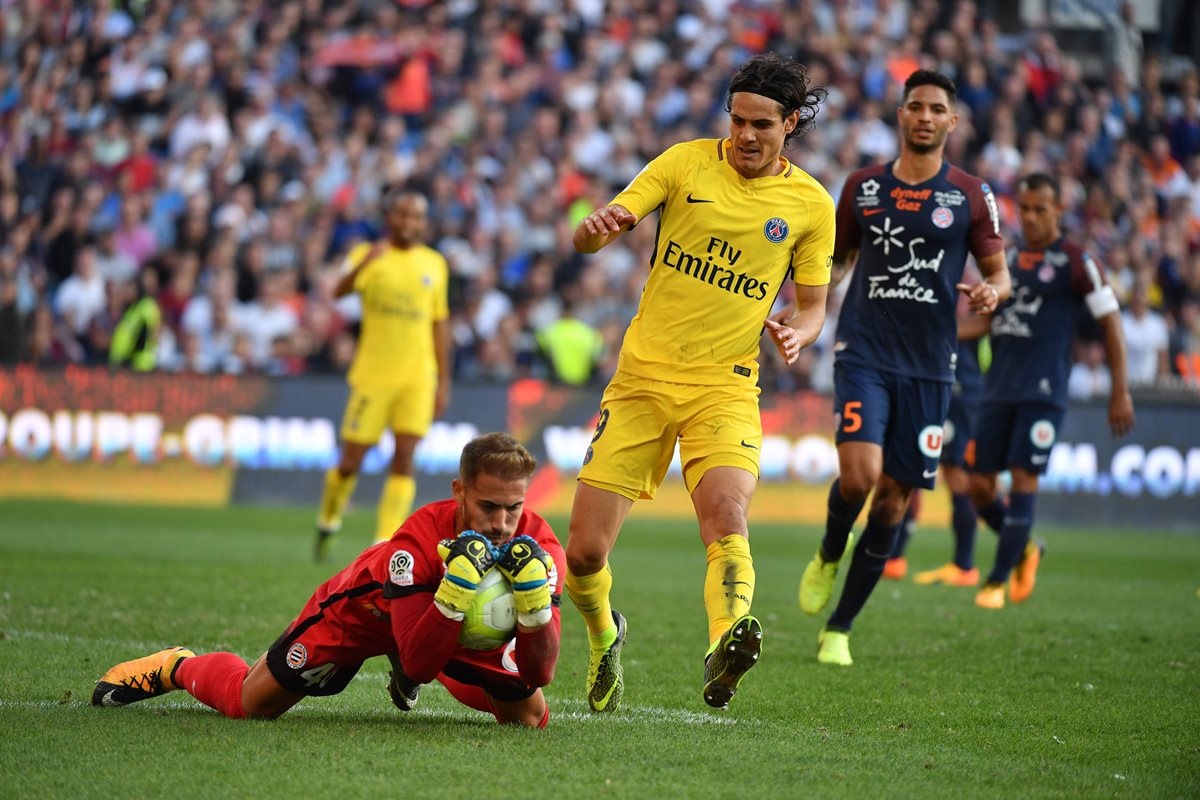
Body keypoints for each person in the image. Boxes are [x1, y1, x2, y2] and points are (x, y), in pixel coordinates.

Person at [564, 52, 835, 712]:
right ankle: (605, 635)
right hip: (642, 379)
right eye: (737, 120)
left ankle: (725, 643)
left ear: (791, 124)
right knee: (584, 554)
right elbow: (599, 231)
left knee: (727, 517)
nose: (745, 135)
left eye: (762, 125)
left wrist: (799, 333)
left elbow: (813, 307)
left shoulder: (810, 205)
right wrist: (594, 233)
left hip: (726, 386)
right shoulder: (683, 163)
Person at [92, 432, 563, 728]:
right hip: (365, 610)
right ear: (459, 491)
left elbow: (540, 673)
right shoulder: (415, 542)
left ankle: (408, 646)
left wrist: (536, 607)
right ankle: (176, 666)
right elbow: (421, 665)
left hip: (437, 625)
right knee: (251, 704)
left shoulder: (541, 547)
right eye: (488, 506)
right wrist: (455, 591)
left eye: (513, 508)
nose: (502, 523)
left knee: (528, 718)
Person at [797, 69, 1011, 667]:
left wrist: (991, 292)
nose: (924, 116)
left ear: (952, 121)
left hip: (931, 367)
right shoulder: (863, 186)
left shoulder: (970, 194)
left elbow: (999, 276)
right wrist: (807, 303)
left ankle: (839, 627)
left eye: (936, 109)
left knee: (893, 501)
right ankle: (829, 552)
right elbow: (839, 261)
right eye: (915, 106)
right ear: (901, 115)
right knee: (860, 477)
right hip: (864, 350)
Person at [967, 173, 1135, 609]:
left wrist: (1120, 390)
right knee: (978, 486)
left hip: (1042, 393)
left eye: (1040, 209)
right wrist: (942, 326)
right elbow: (984, 325)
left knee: (1024, 478)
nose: (1030, 217)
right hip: (997, 388)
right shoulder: (1007, 260)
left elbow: (1112, 324)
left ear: (1059, 209)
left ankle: (995, 582)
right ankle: (1026, 547)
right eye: (1024, 208)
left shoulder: (1077, 262)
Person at [314, 189, 452, 560]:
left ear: (423, 223)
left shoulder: (434, 263)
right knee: (350, 462)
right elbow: (337, 292)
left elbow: (439, 324)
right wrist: (364, 265)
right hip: (373, 375)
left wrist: (444, 381)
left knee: (404, 458)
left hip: (418, 377)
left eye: (416, 216)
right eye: (402, 215)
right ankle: (329, 518)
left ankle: (383, 542)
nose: (409, 222)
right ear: (390, 218)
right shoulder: (367, 254)